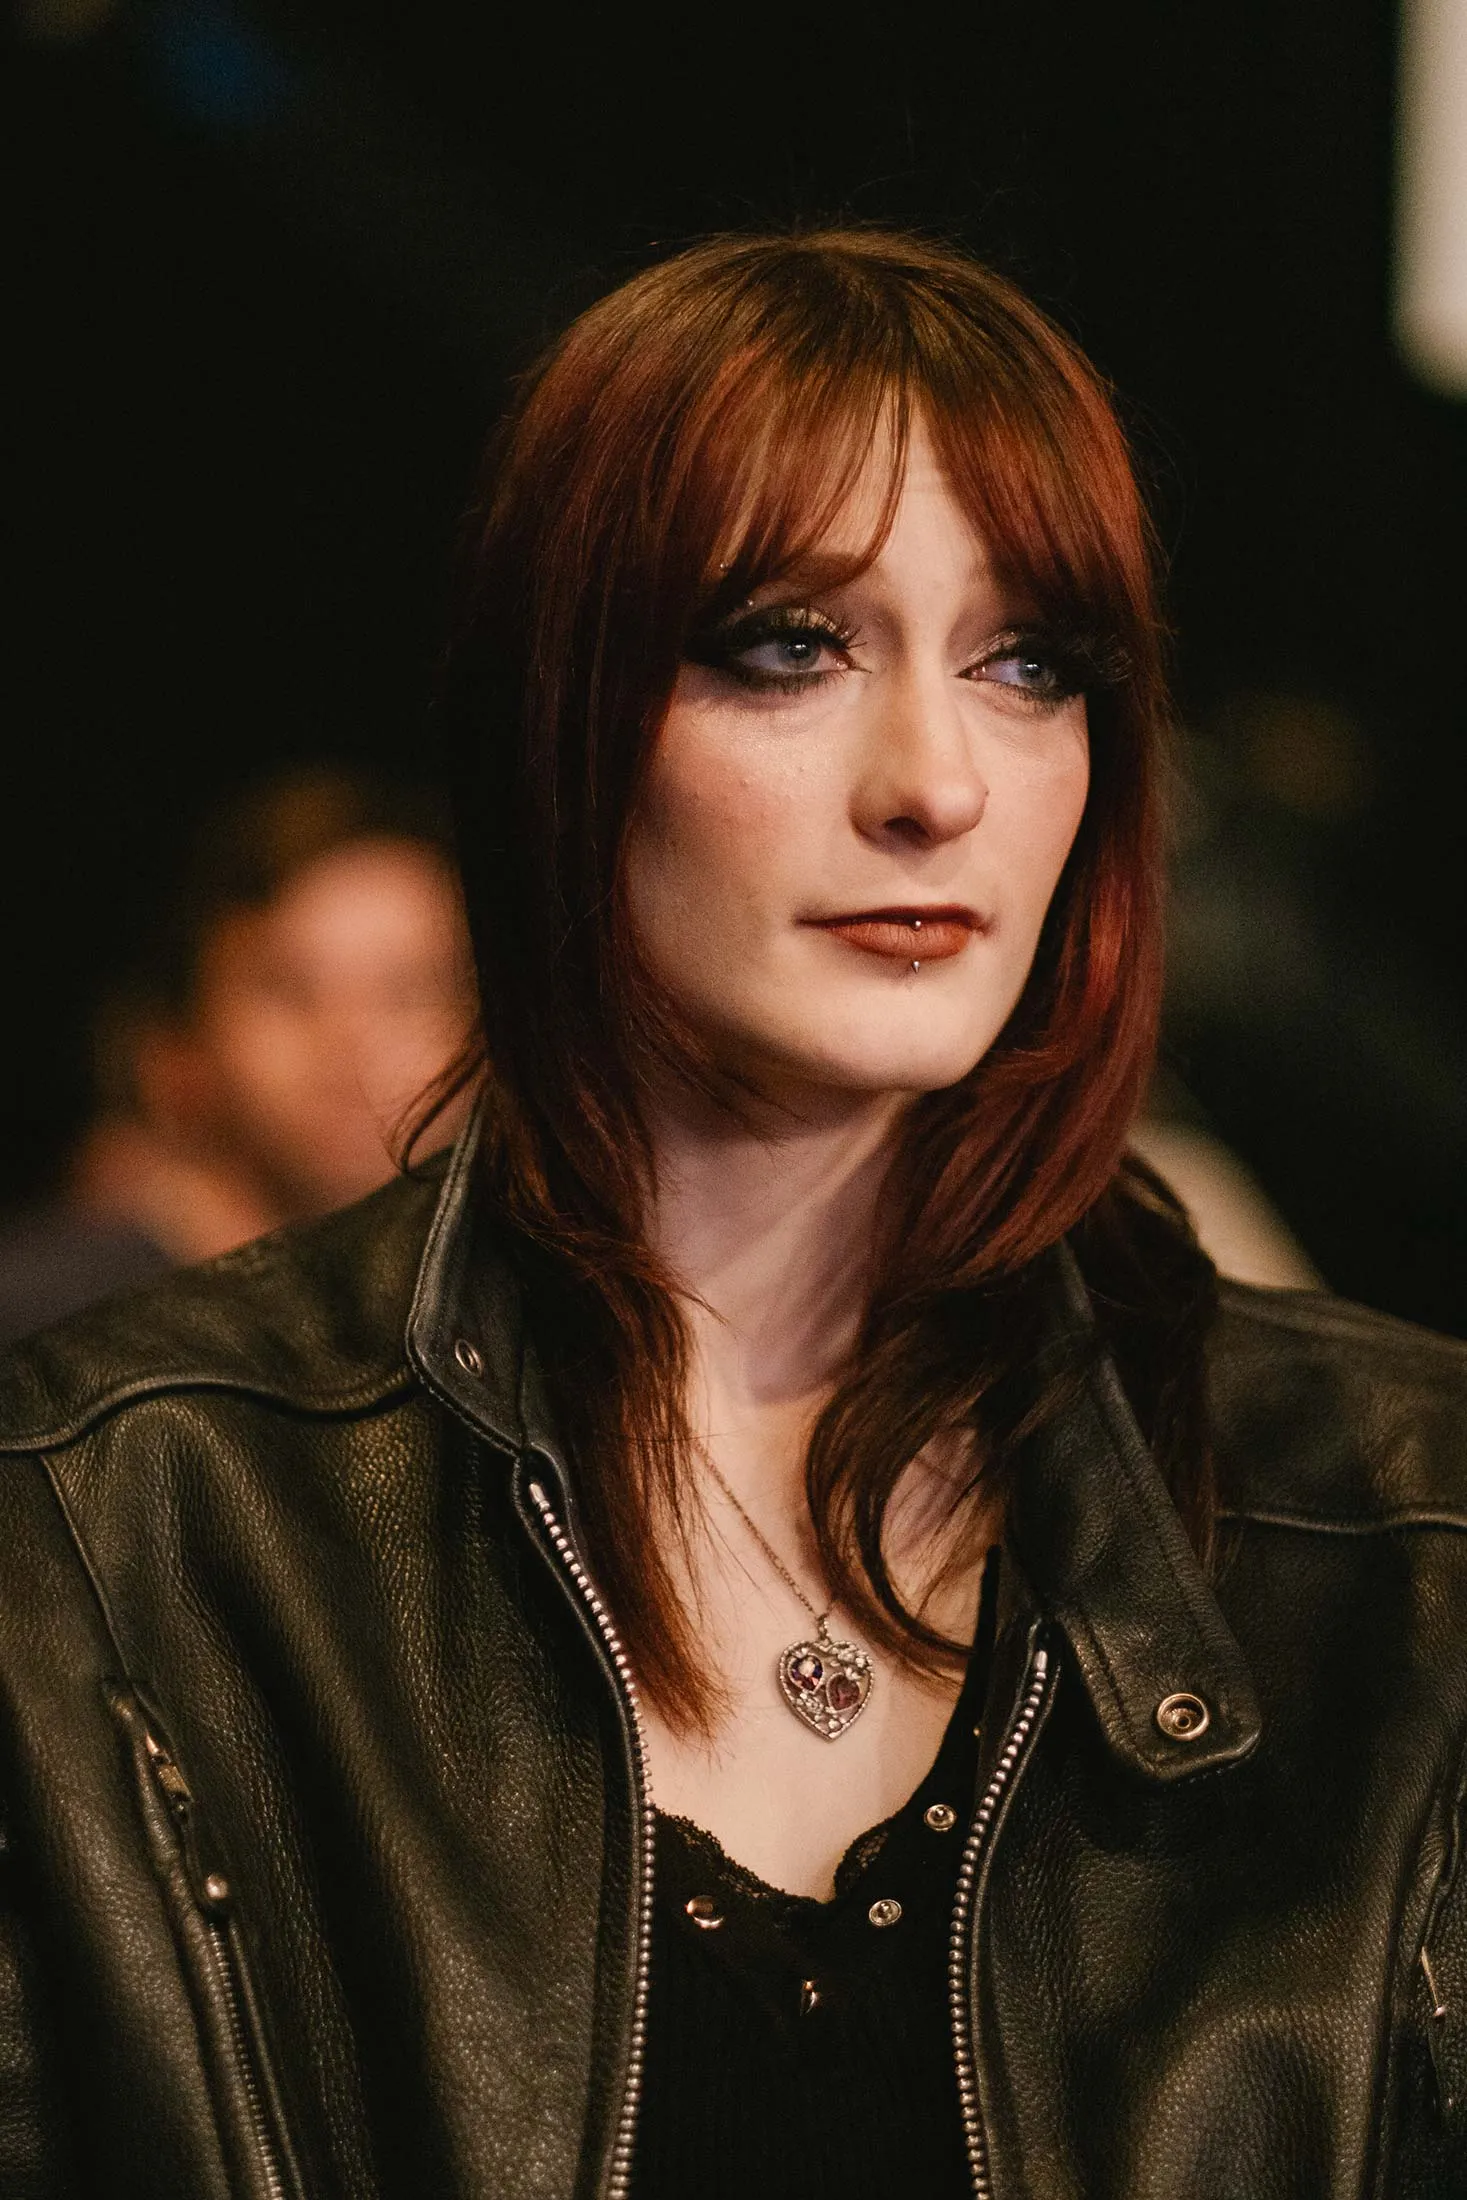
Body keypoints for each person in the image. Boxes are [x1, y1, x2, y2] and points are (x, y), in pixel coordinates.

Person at [0, 231, 1462, 2200]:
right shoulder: (122, 1527)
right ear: (558, 709)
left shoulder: (1406, 1526)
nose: (934, 778)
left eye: (1031, 659)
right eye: (788, 641)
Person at [0, 764, 473, 1346]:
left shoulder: (521, 1319)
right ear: (176, 1044)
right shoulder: (48, 1321)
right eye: (288, 988)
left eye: (409, 991)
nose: (351, 1042)